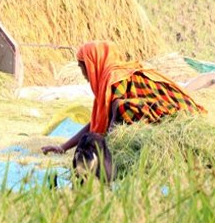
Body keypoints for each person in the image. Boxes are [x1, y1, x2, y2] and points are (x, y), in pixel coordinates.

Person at [42, 41, 205, 155]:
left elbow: (117, 112)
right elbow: (99, 121)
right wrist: (63, 147)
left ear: (93, 64)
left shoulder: (114, 77)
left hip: (178, 113)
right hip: (171, 114)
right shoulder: (110, 78)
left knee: (122, 108)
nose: (83, 74)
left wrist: (108, 150)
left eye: (82, 67)